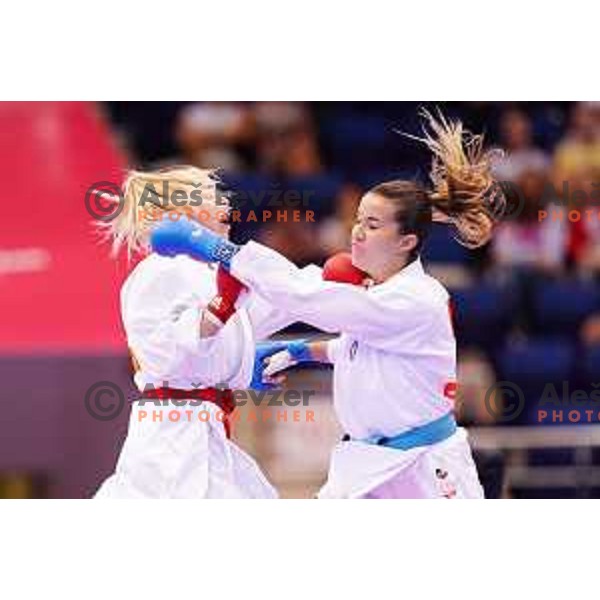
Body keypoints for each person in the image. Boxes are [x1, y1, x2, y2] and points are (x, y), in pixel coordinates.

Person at [150, 111, 505, 499]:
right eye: (357, 219)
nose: (356, 231)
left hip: (423, 470)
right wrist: (304, 351)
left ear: (406, 242)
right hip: (366, 464)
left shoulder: (416, 299)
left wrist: (217, 249)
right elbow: (361, 349)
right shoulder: (377, 293)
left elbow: (306, 297)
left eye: (372, 225)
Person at [94, 166, 303, 499]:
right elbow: (163, 351)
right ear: (179, 214)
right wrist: (220, 309)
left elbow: (270, 306)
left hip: (200, 425)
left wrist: (333, 285)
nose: (227, 207)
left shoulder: (207, 272)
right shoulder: (159, 270)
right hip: (172, 434)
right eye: (215, 198)